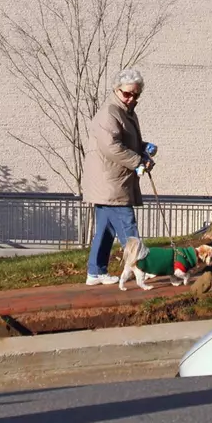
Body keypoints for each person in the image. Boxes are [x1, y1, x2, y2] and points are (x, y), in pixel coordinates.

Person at [81, 69, 156, 286]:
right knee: (127, 226)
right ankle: (143, 267)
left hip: (112, 179)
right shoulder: (110, 113)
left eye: (136, 95)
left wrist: (143, 149)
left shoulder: (125, 112)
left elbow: (125, 143)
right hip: (111, 181)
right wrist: (138, 162)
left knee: (105, 229)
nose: (132, 98)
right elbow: (112, 147)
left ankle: (95, 272)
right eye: (127, 94)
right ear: (116, 90)